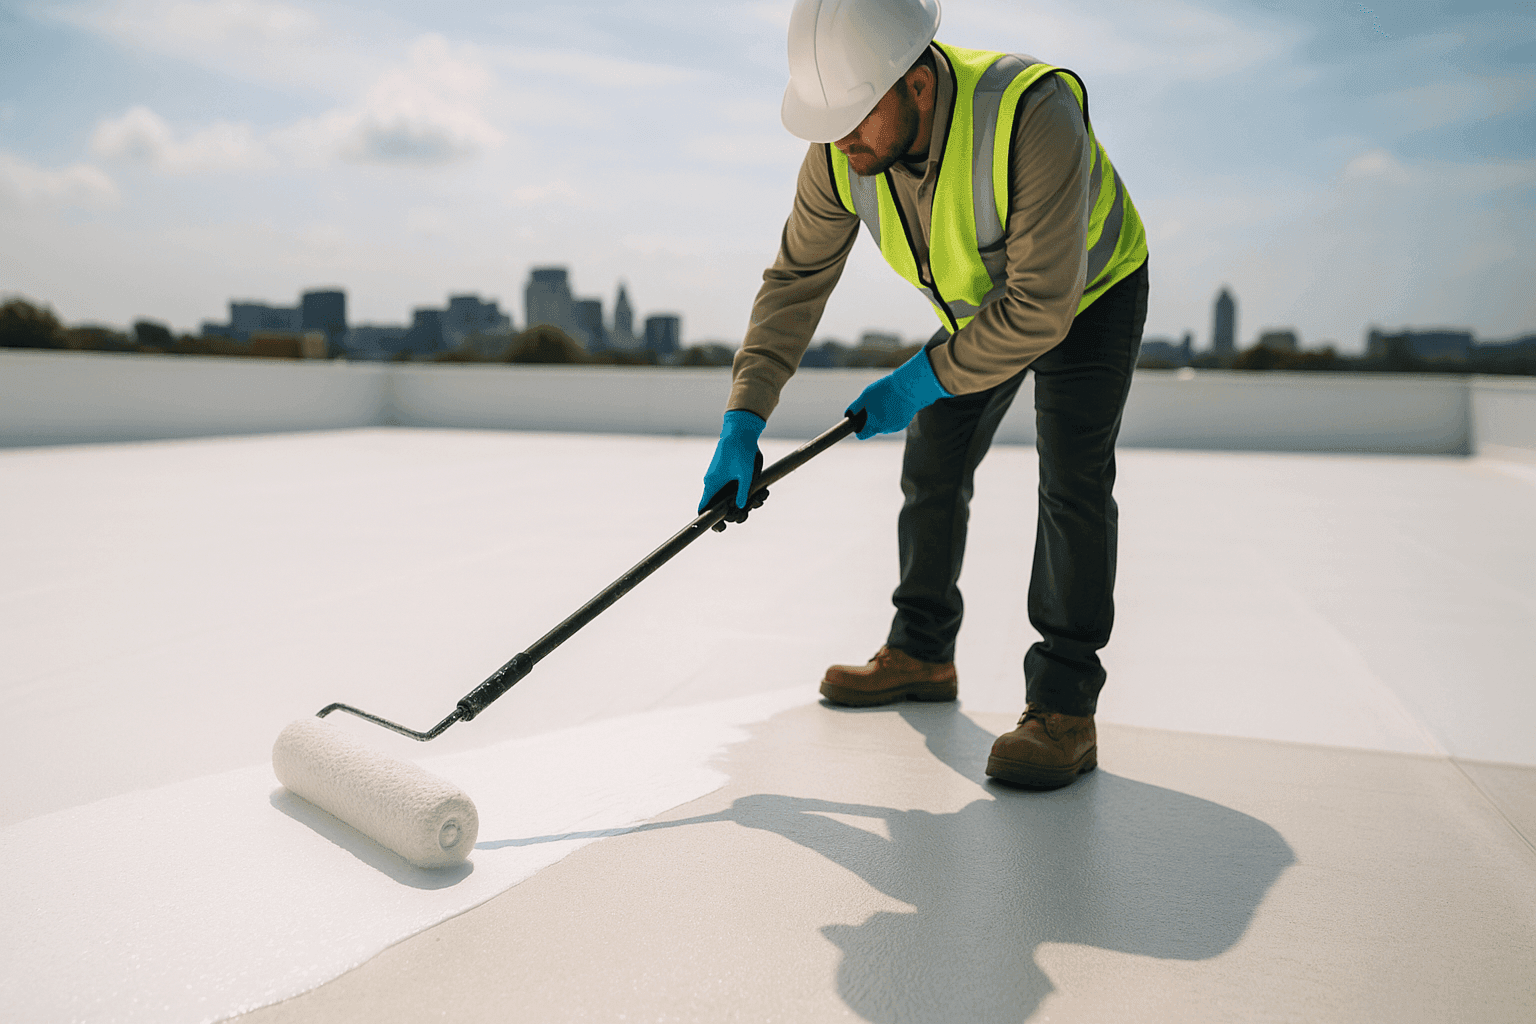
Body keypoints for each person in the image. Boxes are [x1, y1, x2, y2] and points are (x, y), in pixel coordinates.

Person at [699, 0, 1148, 790]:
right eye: (829, 121)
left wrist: (922, 377)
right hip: (985, 310)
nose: (841, 138)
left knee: (1072, 477)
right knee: (933, 460)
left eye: (855, 118)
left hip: (1087, 291)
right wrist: (744, 416)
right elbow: (797, 280)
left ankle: (1064, 706)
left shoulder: (1031, 112)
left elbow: (1042, 306)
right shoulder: (840, 148)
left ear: (918, 85)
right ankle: (922, 652)